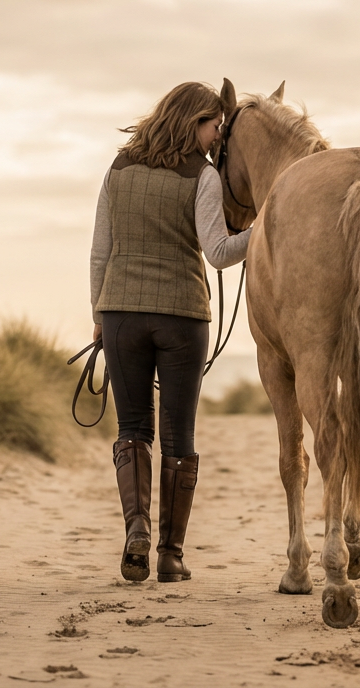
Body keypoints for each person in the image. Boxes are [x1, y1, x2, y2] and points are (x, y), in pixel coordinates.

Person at [89, 81, 250, 583]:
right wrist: (267, 226)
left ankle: (135, 528)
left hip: (120, 315)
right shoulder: (201, 176)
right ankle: (170, 556)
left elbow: (100, 250)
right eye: (214, 126)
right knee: (179, 436)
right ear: (193, 121)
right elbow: (220, 254)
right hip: (181, 316)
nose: (216, 138)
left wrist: (99, 315)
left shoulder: (119, 167)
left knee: (133, 429)